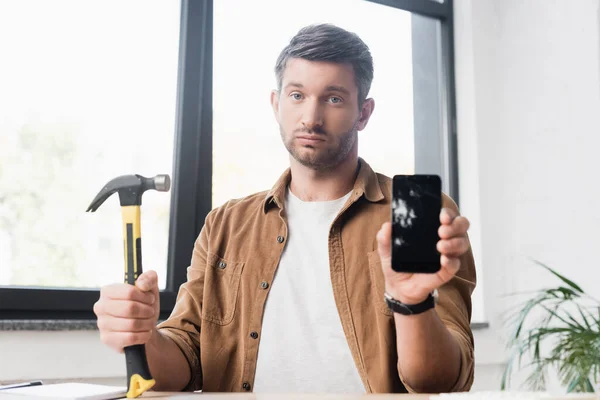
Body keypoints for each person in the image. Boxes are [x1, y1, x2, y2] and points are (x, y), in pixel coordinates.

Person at [93, 23, 476, 394]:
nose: (310, 117)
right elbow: (184, 362)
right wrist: (144, 337)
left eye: (334, 98)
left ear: (364, 112)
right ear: (276, 104)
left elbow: (440, 378)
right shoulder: (227, 224)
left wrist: (412, 304)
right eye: (297, 95)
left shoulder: (415, 213)